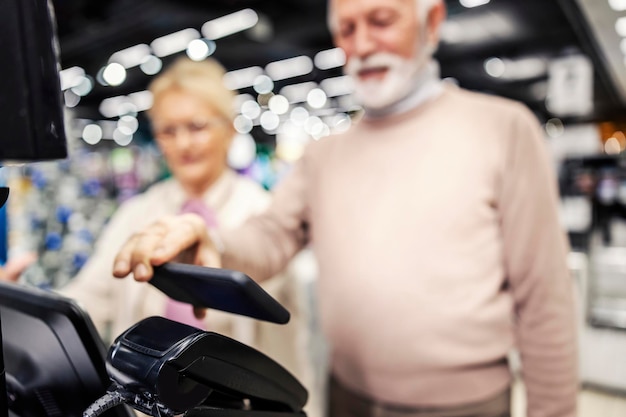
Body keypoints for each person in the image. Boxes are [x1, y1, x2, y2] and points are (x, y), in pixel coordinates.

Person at [111, 0, 578, 416]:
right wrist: (210, 239)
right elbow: (271, 234)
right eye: (347, 28)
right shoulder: (325, 153)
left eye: (381, 21)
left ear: (431, 21)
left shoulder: (503, 130)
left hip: (463, 403)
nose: (363, 43)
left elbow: (544, 296)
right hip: (346, 395)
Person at [53, 57, 316, 409]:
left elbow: (284, 335)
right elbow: (90, 296)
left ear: (228, 128)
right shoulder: (136, 214)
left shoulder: (263, 215)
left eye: (197, 126)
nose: (183, 143)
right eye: (169, 130)